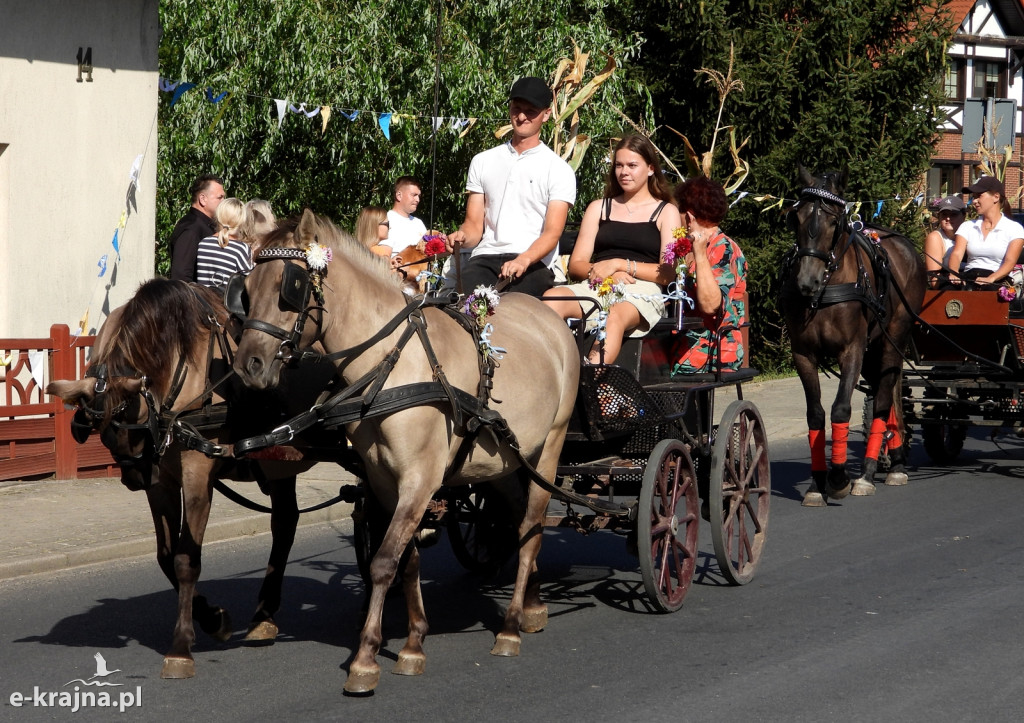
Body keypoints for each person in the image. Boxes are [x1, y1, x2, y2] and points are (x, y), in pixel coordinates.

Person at [542, 134, 680, 365]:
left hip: (641, 290)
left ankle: (592, 375)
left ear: (650, 169)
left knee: (614, 314)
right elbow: (577, 265)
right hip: (599, 283)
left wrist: (620, 264)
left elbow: (667, 273)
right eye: (619, 165)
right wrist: (608, 274)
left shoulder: (666, 212)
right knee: (551, 298)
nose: (624, 172)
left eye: (632, 165)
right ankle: (551, 370)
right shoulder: (599, 208)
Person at [445, 76, 576, 297]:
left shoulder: (559, 169)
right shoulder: (483, 160)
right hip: (484, 258)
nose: (522, 116)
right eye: (517, 108)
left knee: (514, 316)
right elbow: (474, 226)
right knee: (455, 308)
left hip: (534, 263)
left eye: (531, 111)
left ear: (546, 114)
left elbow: (552, 233)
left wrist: (524, 259)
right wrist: (461, 237)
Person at [670, 176, 748, 375]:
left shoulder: (724, 249)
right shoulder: (689, 248)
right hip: (684, 343)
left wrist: (700, 254)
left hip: (710, 350)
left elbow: (710, 306)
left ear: (689, 216)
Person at [947, 175, 1024, 287]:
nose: (974, 201)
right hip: (969, 277)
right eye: (973, 197)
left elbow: (1009, 262)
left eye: (979, 196)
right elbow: (957, 254)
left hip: (997, 279)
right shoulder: (967, 226)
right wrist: (954, 273)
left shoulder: (1014, 228)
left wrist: (990, 279)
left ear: (996, 197)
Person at [168, 174, 226, 282]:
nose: (224, 202)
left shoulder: (203, 225)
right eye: (220, 197)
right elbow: (181, 277)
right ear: (203, 199)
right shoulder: (192, 229)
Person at [195, 198, 252, 288]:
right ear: (241, 221)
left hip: (202, 300)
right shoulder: (241, 249)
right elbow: (249, 281)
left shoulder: (203, 244)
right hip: (224, 301)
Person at [922, 196, 967, 288]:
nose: (948, 218)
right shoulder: (935, 238)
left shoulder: (971, 234)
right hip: (950, 286)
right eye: (944, 214)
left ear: (963, 216)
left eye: (953, 214)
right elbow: (934, 280)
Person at [379, 177, 427, 258]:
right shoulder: (386, 220)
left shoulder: (419, 223)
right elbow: (383, 257)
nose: (418, 199)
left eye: (419, 196)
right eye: (414, 195)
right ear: (399, 195)